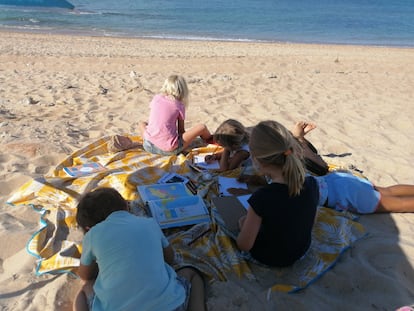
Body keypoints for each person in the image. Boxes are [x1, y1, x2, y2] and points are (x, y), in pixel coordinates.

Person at [73, 187, 206, 311]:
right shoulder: (149, 223)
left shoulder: (92, 235)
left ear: (88, 227)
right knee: (191, 273)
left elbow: (85, 275)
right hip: (169, 306)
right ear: (126, 206)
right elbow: (170, 259)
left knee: (84, 290)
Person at [236, 120, 319, 267]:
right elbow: (310, 223)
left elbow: (244, 245)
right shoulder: (312, 184)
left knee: (227, 219)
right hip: (302, 250)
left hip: (271, 257)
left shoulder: (262, 198)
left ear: (257, 160)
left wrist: (242, 224)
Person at [138, 75, 213, 156]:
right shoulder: (179, 105)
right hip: (168, 149)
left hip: (148, 145)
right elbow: (181, 131)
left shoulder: (156, 98)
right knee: (202, 127)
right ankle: (211, 140)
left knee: (142, 123)